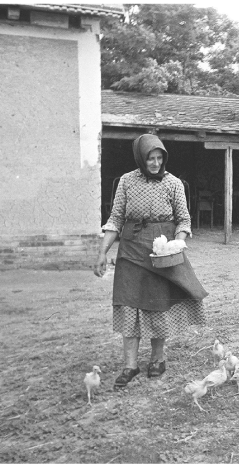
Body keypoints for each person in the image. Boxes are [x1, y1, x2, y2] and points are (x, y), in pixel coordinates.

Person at [94, 135, 209, 390]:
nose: (155, 163)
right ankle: (130, 365)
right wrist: (102, 252)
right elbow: (115, 219)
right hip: (131, 250)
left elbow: (184, 220)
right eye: (150, 158)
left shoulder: (173, 183)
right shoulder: (126, 181)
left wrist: (175, 244)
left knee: (158, 305)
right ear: (140, 159)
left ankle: (158, 359)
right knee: (128, 303)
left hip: (161, 251)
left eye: (159, 158)